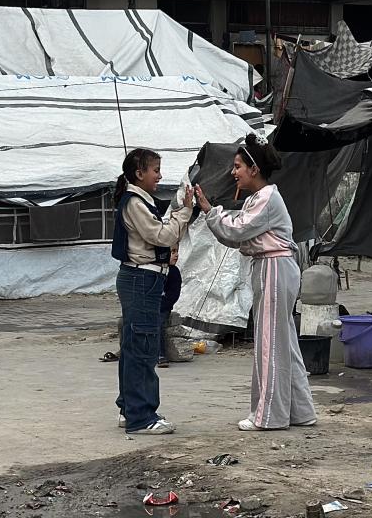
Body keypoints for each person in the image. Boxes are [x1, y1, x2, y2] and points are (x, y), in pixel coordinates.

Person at [195, 134, 318, 431]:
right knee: (284, 341)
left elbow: (236, 231)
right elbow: (238, 234)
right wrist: (213, 214)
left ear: (254, 169)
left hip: (275, 267)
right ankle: (300, 411)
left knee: (270, 342)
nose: (233, 172)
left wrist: (211, 212)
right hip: (272, 267)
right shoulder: (259, 199)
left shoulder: (266, 199)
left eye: (238, 166)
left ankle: (269, 416)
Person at [111, 148, 194, 435]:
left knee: (134, 345)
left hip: (141, 278)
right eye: (155, 170)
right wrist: (185, 212)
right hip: (141, 279)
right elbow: (162, 235)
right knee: (144, 347)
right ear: (139, 173)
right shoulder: (134, 202)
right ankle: (143, 416)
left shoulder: (142, 202)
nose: (159, 176)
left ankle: (129, 408)